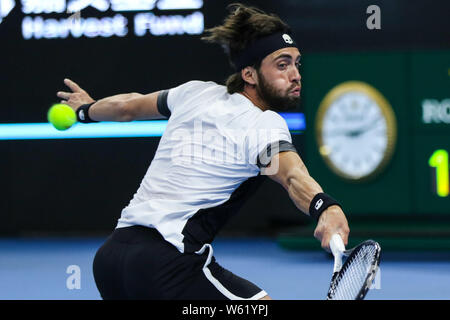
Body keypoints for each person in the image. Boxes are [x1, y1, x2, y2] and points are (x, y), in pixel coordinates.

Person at [56, 3, 350, 300]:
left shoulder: (193, 91)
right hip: (166, 265)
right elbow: (292, 176)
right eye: (282, 64)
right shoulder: (265, 124)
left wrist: (85, 111)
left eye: (296, 64)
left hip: (111, 260)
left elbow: (126, 107)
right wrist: (325, 207)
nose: (295, 75)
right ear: (249, 74)